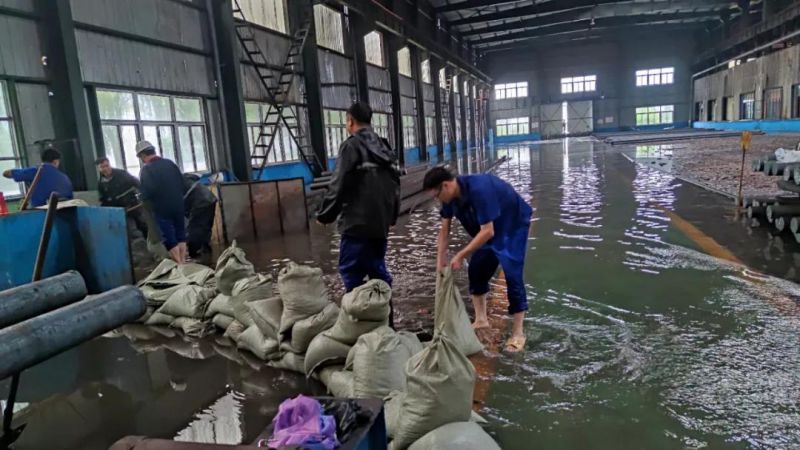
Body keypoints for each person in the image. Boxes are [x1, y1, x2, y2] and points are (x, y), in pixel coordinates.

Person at [423, 167, 532, 353]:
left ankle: (518, 332)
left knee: (511, 271)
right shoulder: (449, 198)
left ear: (446, 185)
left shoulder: (480, 189)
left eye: (436, 196)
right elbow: (444, 230)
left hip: (511, 224)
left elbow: (488, 231)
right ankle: (481, 319)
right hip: (487, 228)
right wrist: (440, 260)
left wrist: (460, 254)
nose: (437, 200)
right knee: (477, 269)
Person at [316, 102, 401, 296]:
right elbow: (395, 185)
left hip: (355, 224)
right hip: (380, 224)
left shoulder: (351, 146)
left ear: (351, 120)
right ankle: (384, 319)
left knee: (351, 272)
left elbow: (338, 183)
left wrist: (325, 215)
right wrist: (392, 217)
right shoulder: (384, 147)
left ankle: (358, 321)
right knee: (377, 271)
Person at [136, 140, 187, 264]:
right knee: (181, 234)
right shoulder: (170, 163)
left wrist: (140, 196)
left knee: (169, 238)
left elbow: (148, 191)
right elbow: (182, 183)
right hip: (179, 205)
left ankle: (179, 265)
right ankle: (184, 262)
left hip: (162, 209)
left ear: (143, 155)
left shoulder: (146, 170)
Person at [96, 157, 148, 238]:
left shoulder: (122, 174)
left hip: (133, 205)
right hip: (119, 211)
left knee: (142, 225)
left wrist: (143, 195)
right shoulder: (101, 184)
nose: (105, 169)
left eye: (107, 165)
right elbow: (103, 200)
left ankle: (148, 242)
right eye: (102, 167)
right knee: (128, 231)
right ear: (98, 169)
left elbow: (136, 183)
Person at [2, 147, 73, 207]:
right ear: (56, 162)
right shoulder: (65, 178)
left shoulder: (35, 171)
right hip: (65, 214)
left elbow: (6, 173)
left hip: (40, 214)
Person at [182, 173, 217, 261]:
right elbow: (197, 176)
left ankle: (194, 254)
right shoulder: (184, 177)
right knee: (206, 227)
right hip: (210, 199)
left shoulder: (174, 184)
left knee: (194, 229)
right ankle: (207, 251)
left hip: (200, 202)